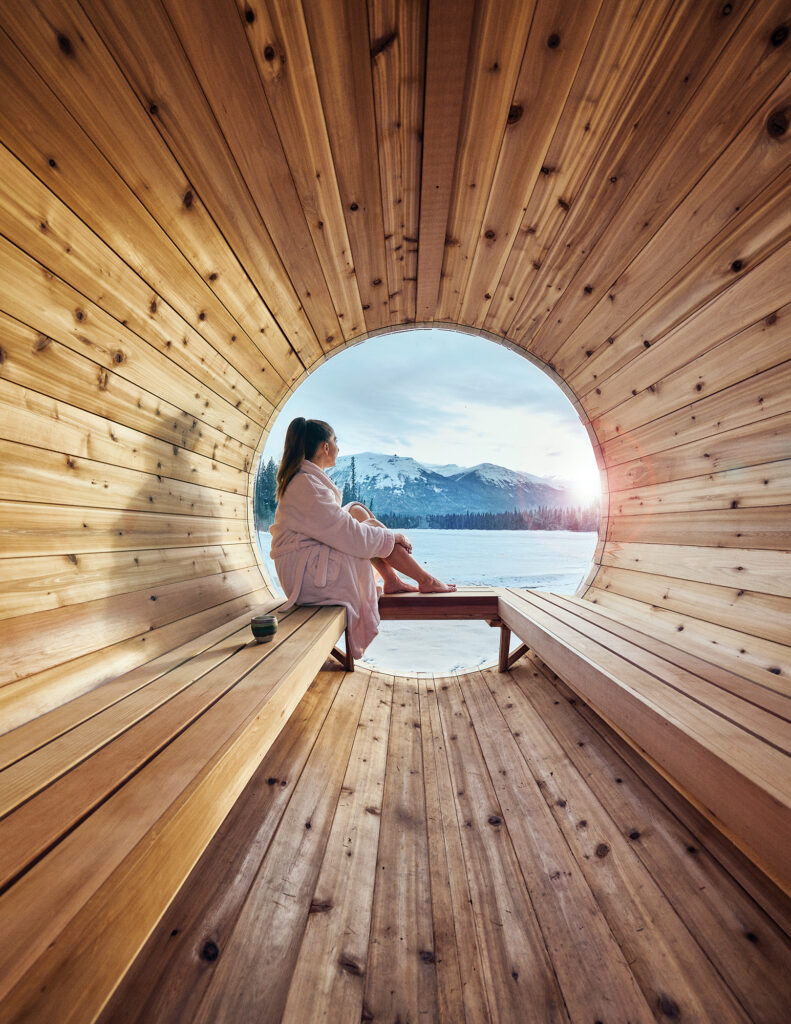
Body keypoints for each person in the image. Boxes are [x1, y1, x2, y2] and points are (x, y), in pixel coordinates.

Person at [269, 417, 455, 659]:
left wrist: (384, 537)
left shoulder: (307, 480)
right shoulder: (307, 486)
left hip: (305, 565)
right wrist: (393, 536)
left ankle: (392, 580)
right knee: (369, 527)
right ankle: (425, 579)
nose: (338, 447)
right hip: (306, 580)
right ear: (325, 447)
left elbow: (343, 527)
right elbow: (353, 537)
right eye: (336, 441)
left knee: (356, 511)